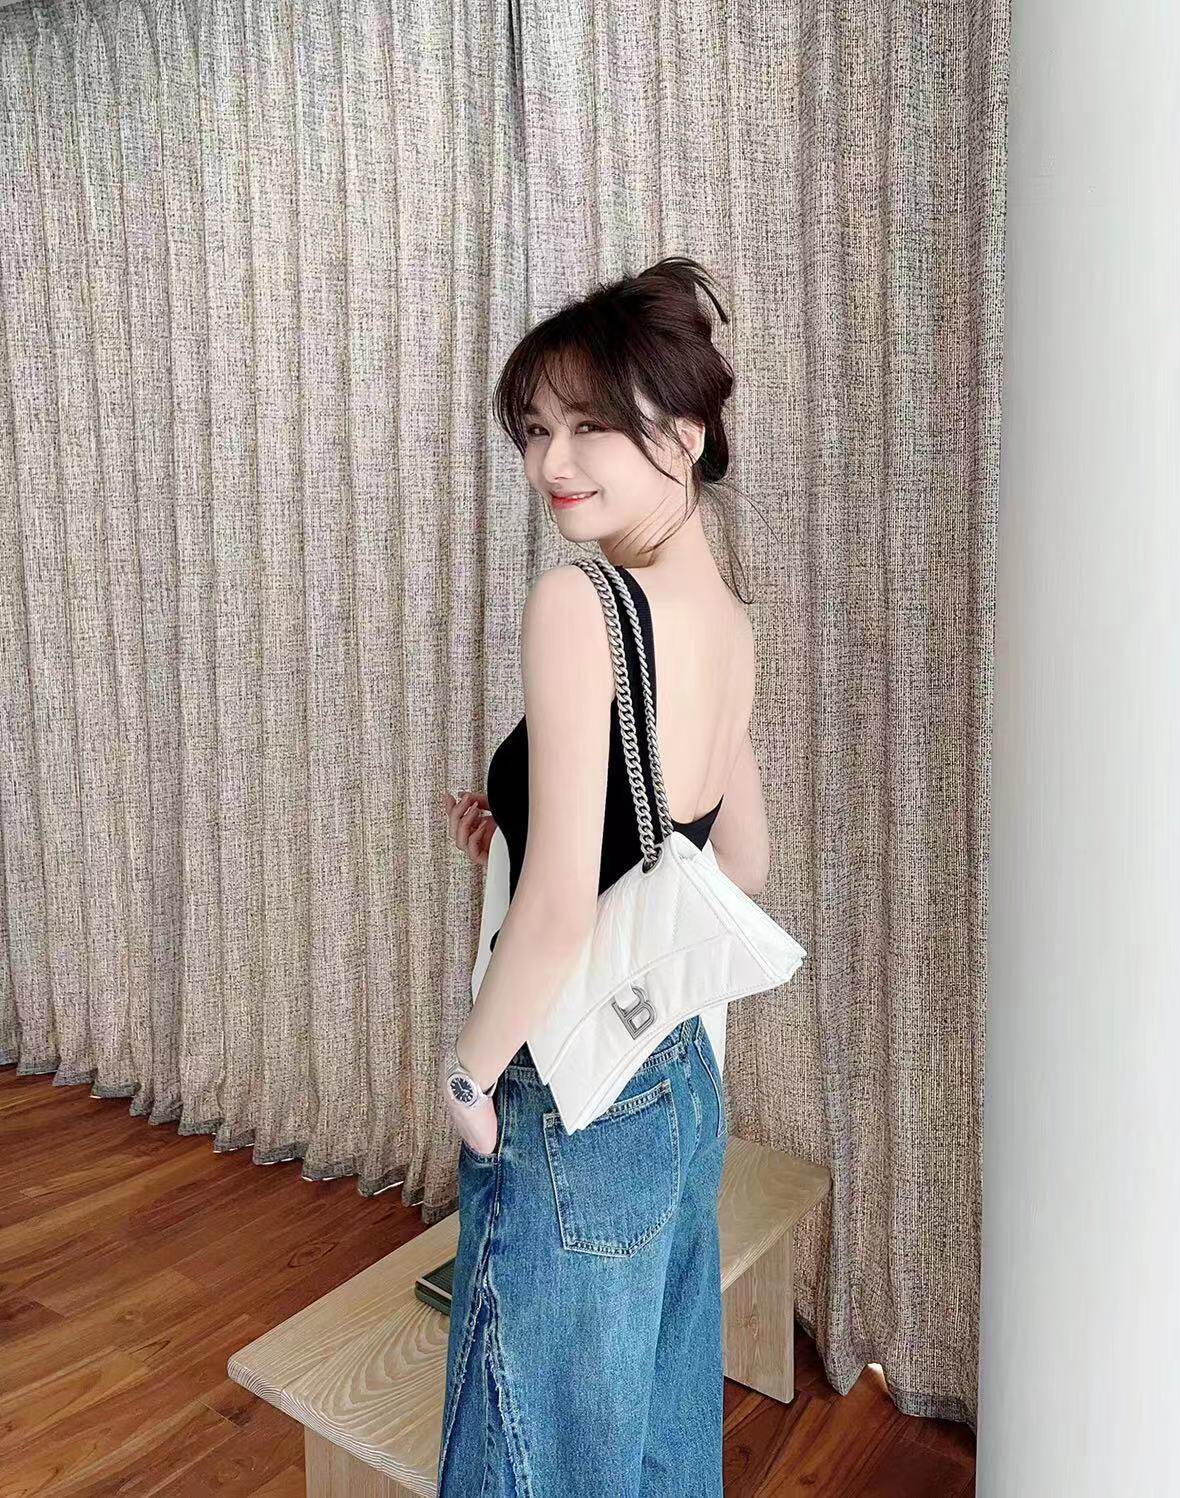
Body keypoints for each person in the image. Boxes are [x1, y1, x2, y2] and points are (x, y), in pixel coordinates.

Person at [436, 256, 770, 1497]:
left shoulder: (578, 601)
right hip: (674, 1080)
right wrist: (522, 828)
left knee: (532, 1455)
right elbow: (737, 856)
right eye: (534, 428)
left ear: (684, 433)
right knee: (655, 1443)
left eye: (588, 424)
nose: (552, 460)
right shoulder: (725, 617)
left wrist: (468, 1072)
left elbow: (562, 913)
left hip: (569, 1089)